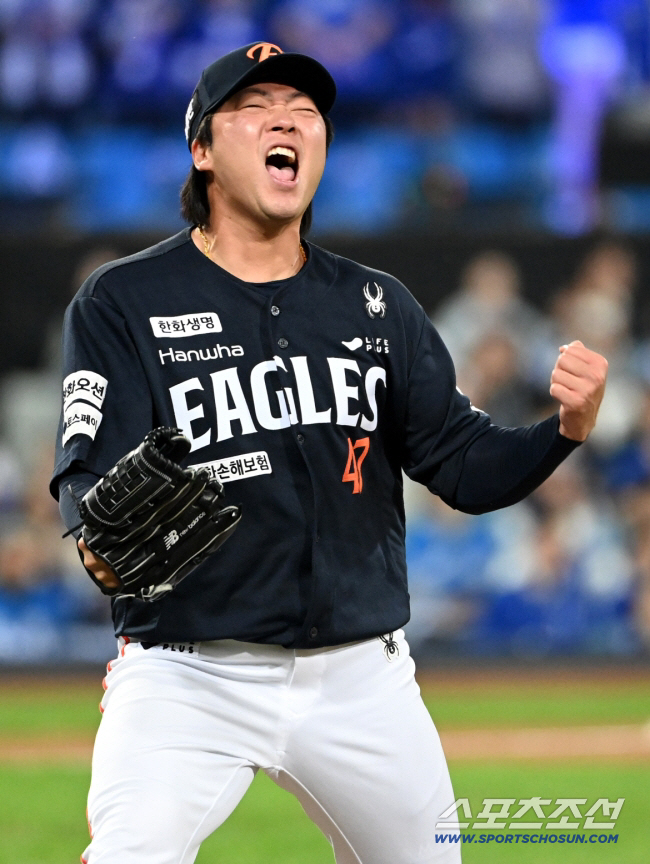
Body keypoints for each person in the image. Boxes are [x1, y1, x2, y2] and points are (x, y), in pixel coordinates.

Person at [51, 42, 608, 864]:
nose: (287, 119)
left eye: (305, 110)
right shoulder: (125, 300)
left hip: (360, 677)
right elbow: (89, 476)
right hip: (189, 672)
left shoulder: (379, 305)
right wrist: (98, 541)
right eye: (255, 107)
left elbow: (462, 463)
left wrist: (564, 430)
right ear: (201, 149)